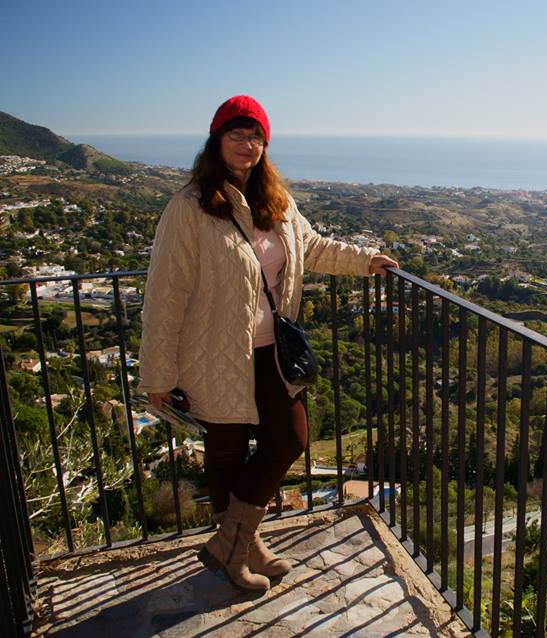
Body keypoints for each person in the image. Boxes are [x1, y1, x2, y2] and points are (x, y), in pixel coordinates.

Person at [138, 95, 398, 592]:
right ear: (217, 140)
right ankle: (241, 550)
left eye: (256, 135)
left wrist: (367, 260)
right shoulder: (189, 207)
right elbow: (165, 294)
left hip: (271, 352)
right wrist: (157, 374)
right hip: (212, 354)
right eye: (237, 134)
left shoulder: (276, 202)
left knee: (290, 438)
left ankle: (228, 545)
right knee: (228, 452)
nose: (247, 144)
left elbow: (313, 246)